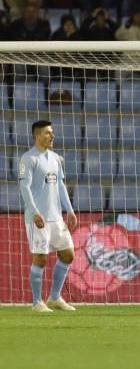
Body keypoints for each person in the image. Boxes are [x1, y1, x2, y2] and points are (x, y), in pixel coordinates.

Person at [19, 120, 78, 313]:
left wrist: (69, 209)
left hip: (56, 218)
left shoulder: (55, 158)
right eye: (47, 133)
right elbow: (24, 187)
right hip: (38, 218)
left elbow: (60, 186)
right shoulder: (28, 159)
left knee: (68, 255)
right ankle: (37, 302)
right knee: (40, 260)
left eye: (52, 133)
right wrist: (34, 211)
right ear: (37, 136)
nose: (52, 136)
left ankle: (54, 297)